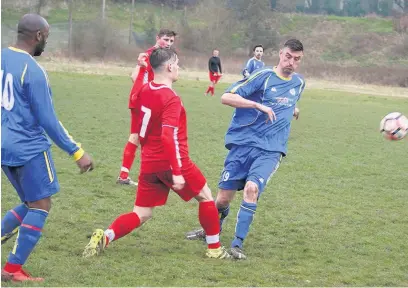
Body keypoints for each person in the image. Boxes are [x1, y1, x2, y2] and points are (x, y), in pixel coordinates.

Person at [83, 48, 231, 260]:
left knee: (142, 213)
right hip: (173, 160)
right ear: (170, 66)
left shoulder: (145, 90)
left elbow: (134, 104)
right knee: (206, 196)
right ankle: (215, 249)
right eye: (177, 63)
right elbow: (167, 136)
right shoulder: (171, 98)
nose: (179, 67)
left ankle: (106, 236)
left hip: (149, 163)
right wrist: (177, 171)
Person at [186, 39, 305, 260]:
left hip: (271, 149)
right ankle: (211, 230)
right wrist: (257, 105)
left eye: (297, 59)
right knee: (221, 200)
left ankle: (237, 244)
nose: (291, 62)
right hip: (243, 145)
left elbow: (288, 100)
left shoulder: (299, 83)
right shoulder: (263, 76)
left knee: (252, 189)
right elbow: (226, 97)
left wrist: (293, 108)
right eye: (288, 56)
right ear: (280, 54)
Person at [1, 14, 94, 282]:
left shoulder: (2, 58)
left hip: (5, 146)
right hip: (29, 148)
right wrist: (77, 152)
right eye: (47, 37)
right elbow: (48, 120)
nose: (46, 43)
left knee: (30, 202)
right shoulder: (33, 70)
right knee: (41, 205)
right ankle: (12, 269)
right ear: (38, 36)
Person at [117, 29, 177, 186]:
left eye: (171, 41)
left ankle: (129, 175)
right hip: (143, 100)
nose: (169, 43)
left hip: (146, 99)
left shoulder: (161, 56)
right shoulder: (149, 55)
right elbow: (134, 76)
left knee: (143, 136)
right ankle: (140, 176)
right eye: (166, 40)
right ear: (157, 38)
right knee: (142, 136)